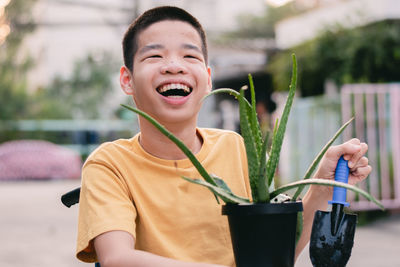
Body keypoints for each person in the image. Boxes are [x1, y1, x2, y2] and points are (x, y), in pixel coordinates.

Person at [76, 6, 371, 267]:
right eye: (154, 55)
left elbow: (274, 256)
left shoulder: (236, 148)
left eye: (189, 55)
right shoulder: (108, 164)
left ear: (207, 79)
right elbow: (117, 258)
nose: (174, 65)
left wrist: (321, 186)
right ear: (127, 80)